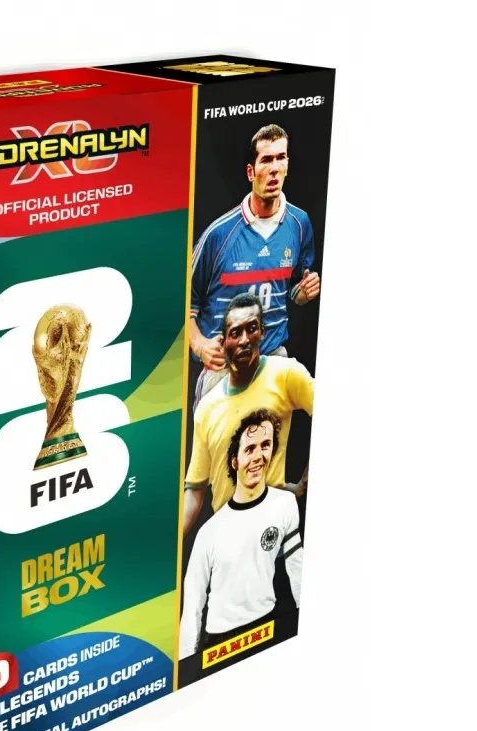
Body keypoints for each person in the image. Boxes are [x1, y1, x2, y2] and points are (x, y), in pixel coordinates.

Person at [187, 123, 321, 407]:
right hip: (224, 369)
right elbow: (183, 304)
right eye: (266, 160)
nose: (274, 169)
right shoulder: (218, 235)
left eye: (281, 158)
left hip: (273, 361)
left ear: (288, 165)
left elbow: (292, 290)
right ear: (251, 172)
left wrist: (303, 292)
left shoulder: (300, 224)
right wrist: (200, 345)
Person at [182, 293, 313, 536]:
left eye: (251, 329)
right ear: (223, 342)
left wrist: (307, 479)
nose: (244, 340)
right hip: (225, 538)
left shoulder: (285, 374)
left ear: (262, 332)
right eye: (235, 333)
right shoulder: (207, 408)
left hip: (271, 535)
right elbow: (195, 491)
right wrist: (169, 545)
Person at [178, 410, 303, 661]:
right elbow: (192, 607)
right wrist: (187, 663)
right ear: (235, 461)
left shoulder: (285, 504)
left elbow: (297, 570)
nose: (258, 456)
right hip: (220, 641)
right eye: (250, 449)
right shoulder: (208, 533)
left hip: (268, 623)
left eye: (265, 445)